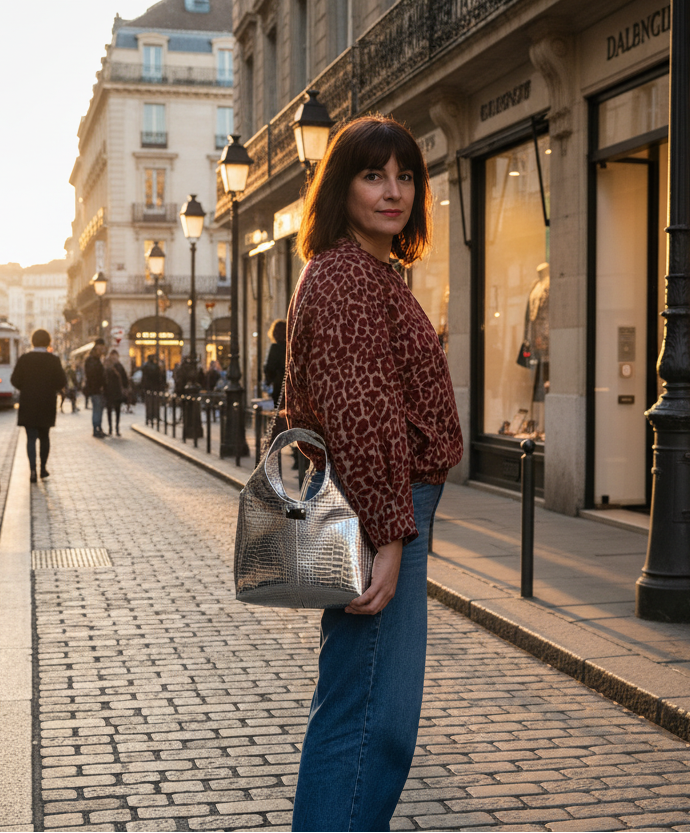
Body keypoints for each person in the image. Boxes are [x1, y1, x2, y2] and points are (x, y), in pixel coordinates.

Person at [285, 115, 463, 831]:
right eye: (372, 175)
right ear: (341, 187)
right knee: (368, 722)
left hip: (386, 508)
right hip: (383, 511)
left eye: (406, 175)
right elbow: (364, 416)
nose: (394, 191)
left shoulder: (362, 272)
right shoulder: (347, 278)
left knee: (365, 712)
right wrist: (389, 533)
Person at [10, 329, 67, 483]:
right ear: (48, 342)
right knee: (44, 437)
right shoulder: (53, 360)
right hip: (47, 403)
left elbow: (14, 380)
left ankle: (33, 470)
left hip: (28, 403)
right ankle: (43, 468)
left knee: (31, 438)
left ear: (32, 341)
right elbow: (62, 381)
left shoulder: (25, 359)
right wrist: (50, 389)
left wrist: (27, 388)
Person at [84, 338, 106, 437]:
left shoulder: (97, 359)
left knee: (99, 408)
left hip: (99, 389)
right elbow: (92, 375)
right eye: (100, 349)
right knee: (97, 408)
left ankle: (99, 427)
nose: (102, 351)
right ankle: (96, 428)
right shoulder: (91, 360)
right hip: (95, 389)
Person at [263, 318, 287, 408]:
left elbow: (270, 367)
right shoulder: (290, 347)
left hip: (279, 385)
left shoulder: (275, 348)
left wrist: (268, 380)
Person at [103, 353, 125, 436]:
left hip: (115, 392)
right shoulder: (107, 368)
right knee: (111, 411)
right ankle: (111, 428)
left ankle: (115, 428)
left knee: (116, 411)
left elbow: (124, 377)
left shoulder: (119, 367)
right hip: (110, 392)